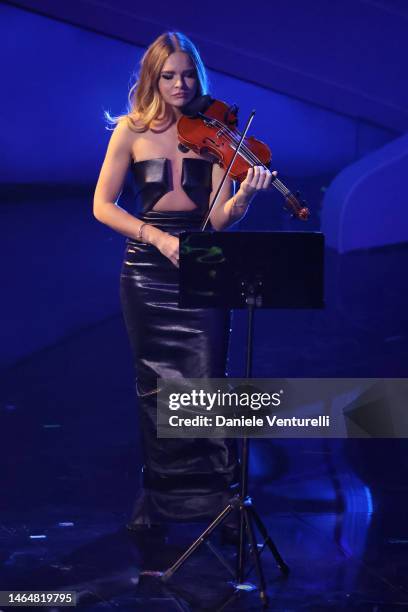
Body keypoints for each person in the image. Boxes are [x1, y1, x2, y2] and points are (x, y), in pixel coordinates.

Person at [93, 32, 274, 535]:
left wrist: (243, 199)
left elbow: (217, 220)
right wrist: (156, 238)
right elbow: (102, 206)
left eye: (187, 75)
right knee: (154, 388)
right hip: (147, 268)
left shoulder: (215, 131)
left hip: (201, 257)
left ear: (198, 76)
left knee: (206, 382)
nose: (179, 84)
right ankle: (162, 499)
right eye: (168, 75)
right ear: (153, 77)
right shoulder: (130, 131)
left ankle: (218, 497)